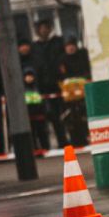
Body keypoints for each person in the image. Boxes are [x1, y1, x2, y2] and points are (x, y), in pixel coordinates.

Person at [31, 19, 68, 147]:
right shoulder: (35, 47)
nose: (44, 31)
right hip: (43, 87)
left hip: (58, 84)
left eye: (46, 28)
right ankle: (49, 144)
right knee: (48, 116)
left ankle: (65, 141)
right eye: (41, 28)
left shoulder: (58, 42)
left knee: (63, 114)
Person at [58, 37, 92, 146]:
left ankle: (87, 137)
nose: (70, 48)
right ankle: (76, 140)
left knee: (85, 116)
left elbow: (87, 71)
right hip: (70, 96)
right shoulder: (62, 59)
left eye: (72, 45)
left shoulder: (83, 56)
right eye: (68, 46)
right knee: (72, 119)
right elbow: (61, 76)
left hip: (83, 93)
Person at [22, 67, 49, 151]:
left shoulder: (38, 87)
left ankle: (45, 147)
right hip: (29, 116)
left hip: (39, 115)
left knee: (42, 133)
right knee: (32, 134)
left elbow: (44, 99)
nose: (29, 78)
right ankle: (34, 149)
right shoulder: (23, 89)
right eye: (27, 76)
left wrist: (45, 111)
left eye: (31, 76)